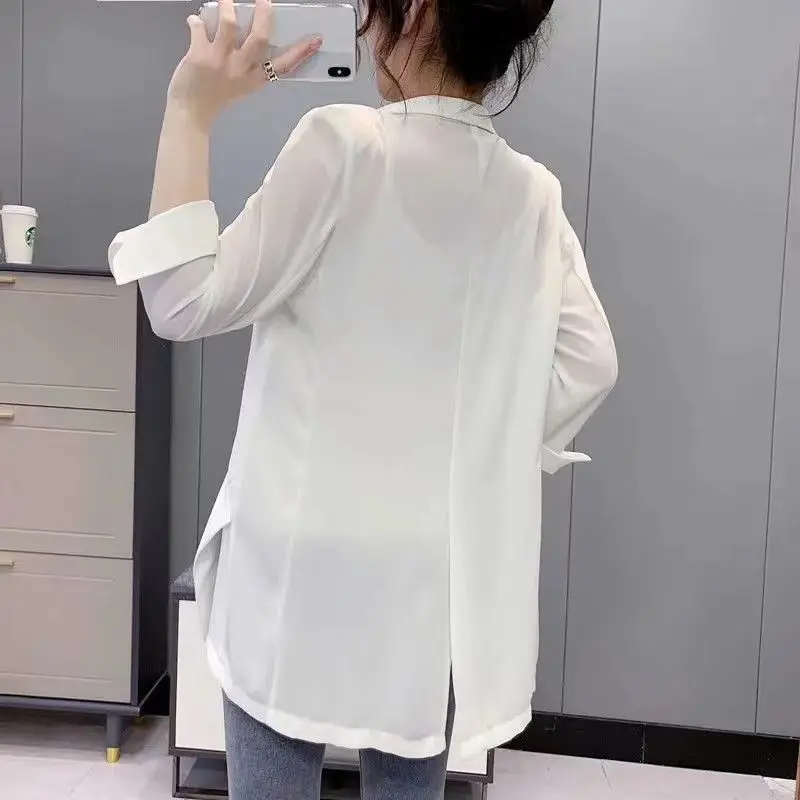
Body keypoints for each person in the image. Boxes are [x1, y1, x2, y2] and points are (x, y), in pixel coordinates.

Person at [109, 0, 617, 796]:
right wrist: (489, 443)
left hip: (298, 564)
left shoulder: (342, 145)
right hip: (431, 576)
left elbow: (181, 302)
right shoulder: (532, 193)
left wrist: (190, 110)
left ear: (415, 13)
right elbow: (592, 363)